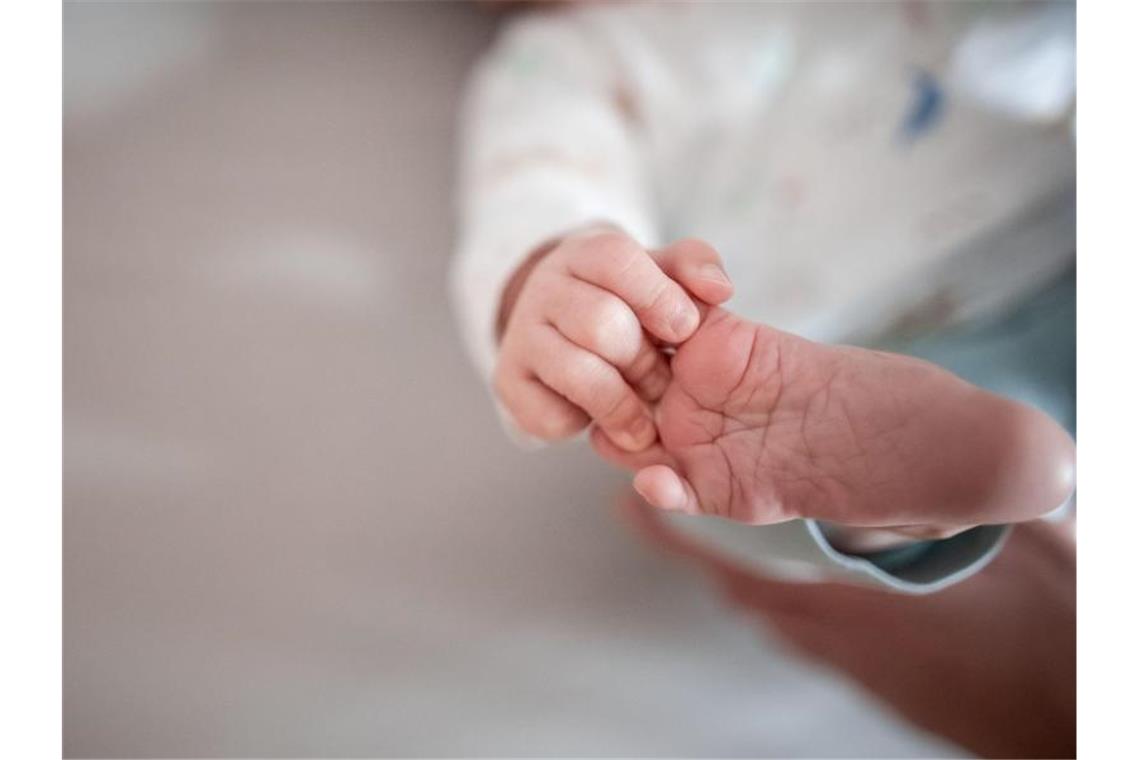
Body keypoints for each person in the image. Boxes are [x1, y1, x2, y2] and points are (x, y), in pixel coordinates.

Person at [451, 0, 1075, 588]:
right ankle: (878, 506)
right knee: (688, 472)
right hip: (800, 376)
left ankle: (909, 498)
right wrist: (555, 287)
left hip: (1060, 230)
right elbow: (537, 184)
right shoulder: (565, 59)